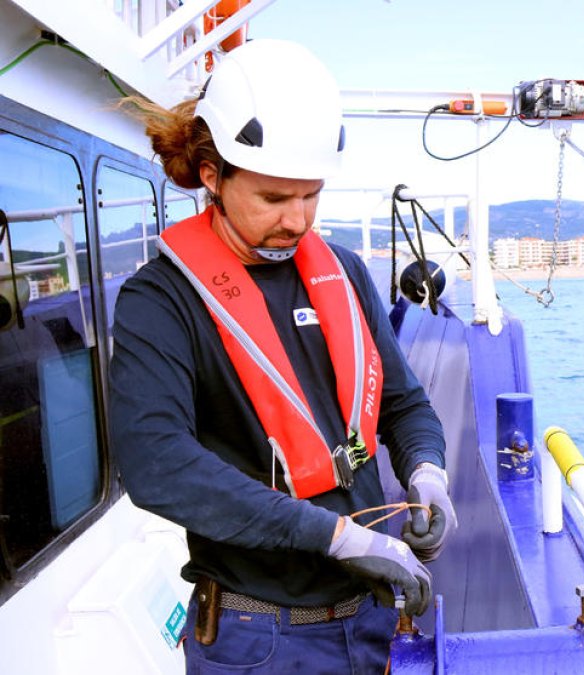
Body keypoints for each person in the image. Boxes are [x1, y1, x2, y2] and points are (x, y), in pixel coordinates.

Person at [109, 39, 456, 673]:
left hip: (370, 617)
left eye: (311, 195)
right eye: (273, 199)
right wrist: (336, 537)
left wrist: (428, 475)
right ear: (212, 175)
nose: (297, 221)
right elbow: (156, 464)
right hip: (257, 636)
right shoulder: (159, 301)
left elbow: (404, 404)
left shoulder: (344, 273)